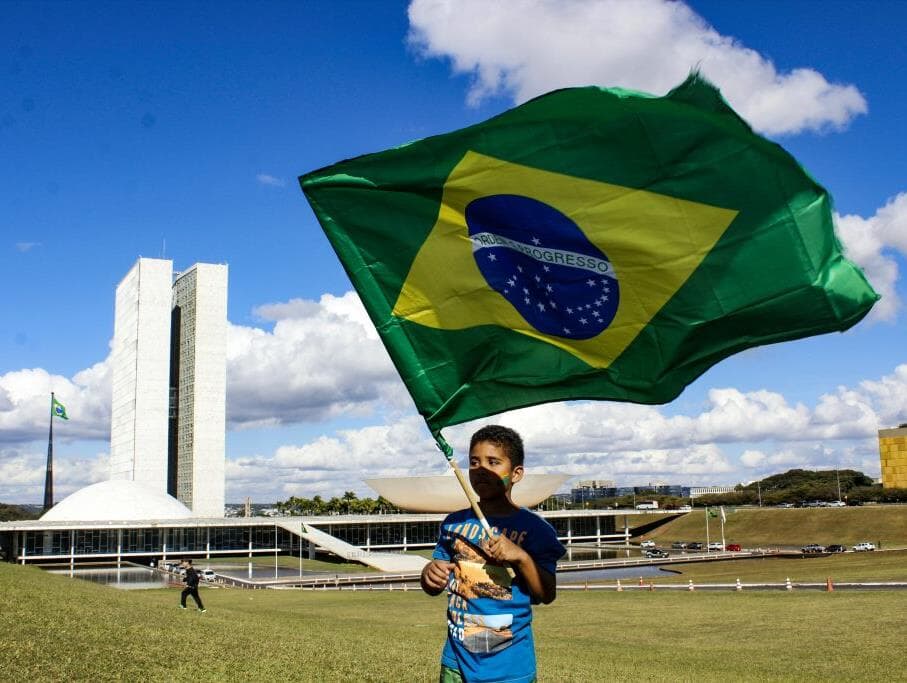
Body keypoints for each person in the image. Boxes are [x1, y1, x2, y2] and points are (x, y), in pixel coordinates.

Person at [421, 425, 566, 683]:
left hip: (509, 667)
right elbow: (435, 582)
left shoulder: (537, 529)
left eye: (493, 462)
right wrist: (428, 575)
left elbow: (546, 594)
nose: (482, 470)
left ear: (516, 473)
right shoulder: (452, 523)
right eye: (474, 462)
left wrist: (520, 556)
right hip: (456, 662)